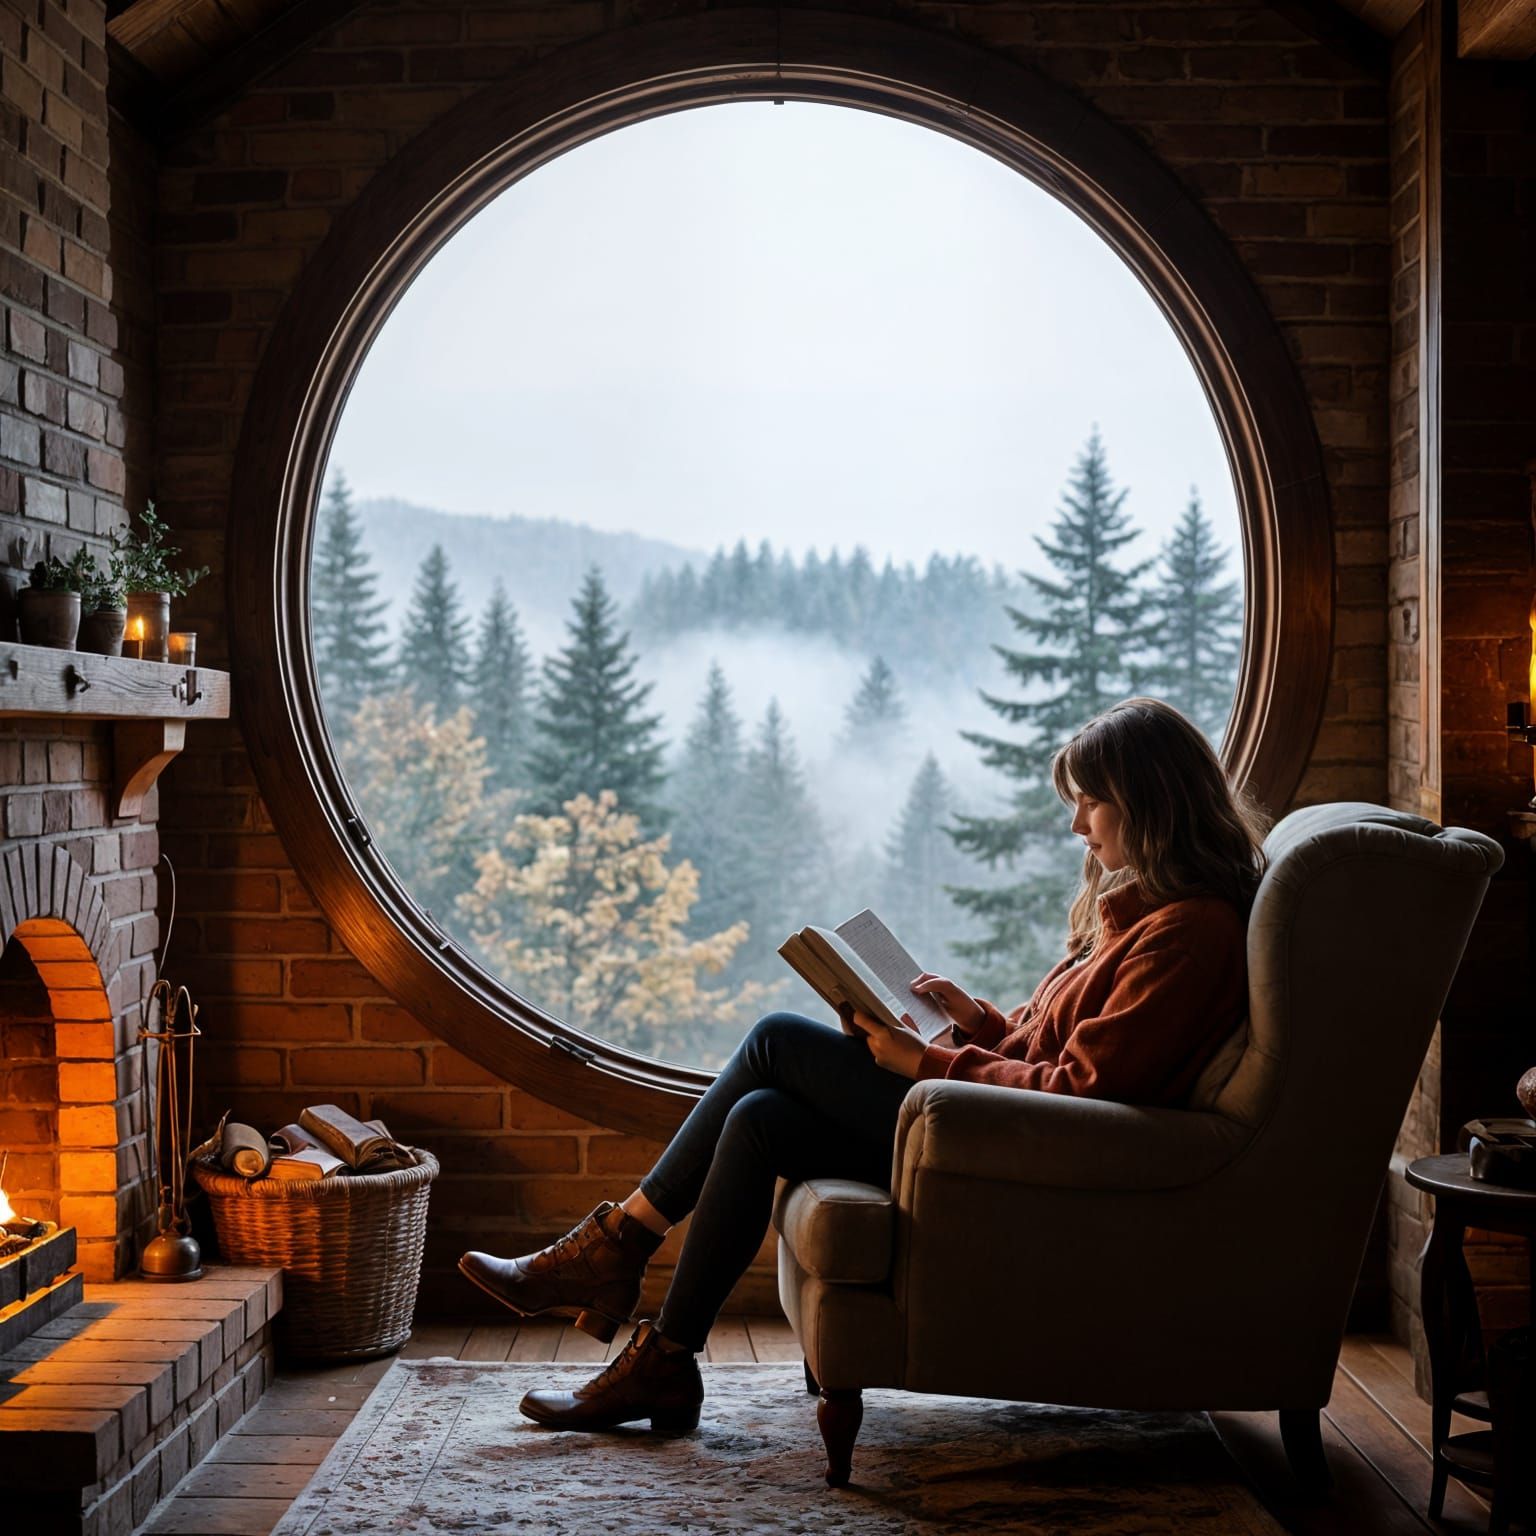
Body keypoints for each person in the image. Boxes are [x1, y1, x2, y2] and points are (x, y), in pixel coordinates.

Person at [458, 696, 1269, 1437]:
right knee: (759, 1120)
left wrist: (926, 1060)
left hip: (1018, 1149)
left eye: (1090, 802)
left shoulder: (1187, 935)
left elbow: (1086, 1090)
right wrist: (977, 1019)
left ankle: (613, 1249)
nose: (1078, 827)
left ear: (1150, 801)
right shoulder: (1149, 917)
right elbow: (1058, 1044)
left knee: (775, 1038)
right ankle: (665, 1363)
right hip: (1002, 1125)